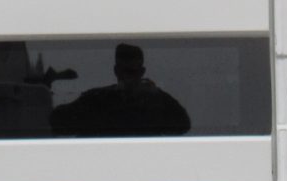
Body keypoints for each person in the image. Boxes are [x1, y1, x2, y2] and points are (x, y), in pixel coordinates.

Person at [50, 43, 191, 137]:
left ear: (142, 72)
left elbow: (183, 126)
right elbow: (57, 123)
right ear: (116, 71)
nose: (128, 77)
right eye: (125, 71)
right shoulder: (97, 99)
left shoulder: (155, 101)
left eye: (133, 72)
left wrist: (157, 96)